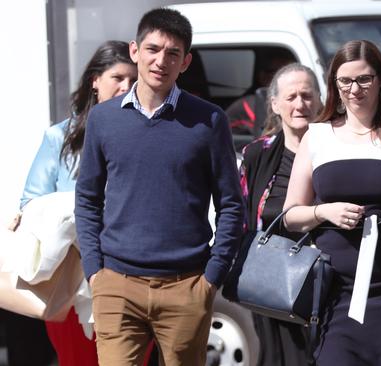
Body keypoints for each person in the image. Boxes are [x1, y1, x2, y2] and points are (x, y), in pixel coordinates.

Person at [74, 8, 243, 365]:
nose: (160, 61)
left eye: (172, 53)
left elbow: (231, 204)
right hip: (116, 284)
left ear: (185, 62)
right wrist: (95, 272)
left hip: (186, 286)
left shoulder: (209, 120)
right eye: (152, 49)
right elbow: (87, 199)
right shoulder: (103, 119)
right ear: (135, 51)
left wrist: (211, 278)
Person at [283, 40, 381, 365]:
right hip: (334, 291)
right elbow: (290, 215)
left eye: (363, 79)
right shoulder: (316, 136)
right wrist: (324, 212)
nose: (354, 89)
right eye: (344, 81)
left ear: (380, 81)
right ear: (334, 84)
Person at [9, 40, 137, 366]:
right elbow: (32, 200)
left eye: (134, 81)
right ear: (95, 80)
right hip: (74, 276)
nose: (127, 88)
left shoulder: (145, 135)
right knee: (78, 358)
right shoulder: (61, 138)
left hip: (130, 272)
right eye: (118, 77)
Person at [239, 63, 322, 366]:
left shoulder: (335, 152)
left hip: (326, 285)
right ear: (275, 104)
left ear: (319, 100)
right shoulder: (256, 155)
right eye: (291, 97)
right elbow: (242, 218)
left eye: (307, 95)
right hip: (273, 285)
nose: (300, 104)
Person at [226, 48, 295, 150]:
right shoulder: (250, 103)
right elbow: (269, 133)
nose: (288, 78)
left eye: (291, 72)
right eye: (279, 73)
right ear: (263, 76)